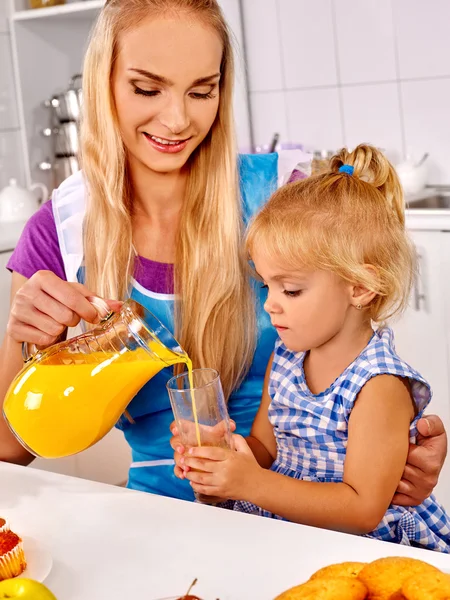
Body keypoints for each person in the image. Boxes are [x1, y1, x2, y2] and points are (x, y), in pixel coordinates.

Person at [0, 0, 446, 505]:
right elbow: (11, 450)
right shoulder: (61, 232)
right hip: (162, 510)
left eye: (201, 91)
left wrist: (397, 449)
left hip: (310, 508)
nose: (177, 120)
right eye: (147, 88)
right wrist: (26, 341)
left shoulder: (281, 197)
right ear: (103, 83)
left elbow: (362, 359)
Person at [177, 145, 450, 551]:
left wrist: (251, 483)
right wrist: (226, 458)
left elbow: (362, 510)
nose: (270, 303)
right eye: (265, 284)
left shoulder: (378, 386)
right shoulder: (286, 357)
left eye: (291, 289)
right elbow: (266, 449)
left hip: (365, 549)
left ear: (359, 286)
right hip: (293, 532)